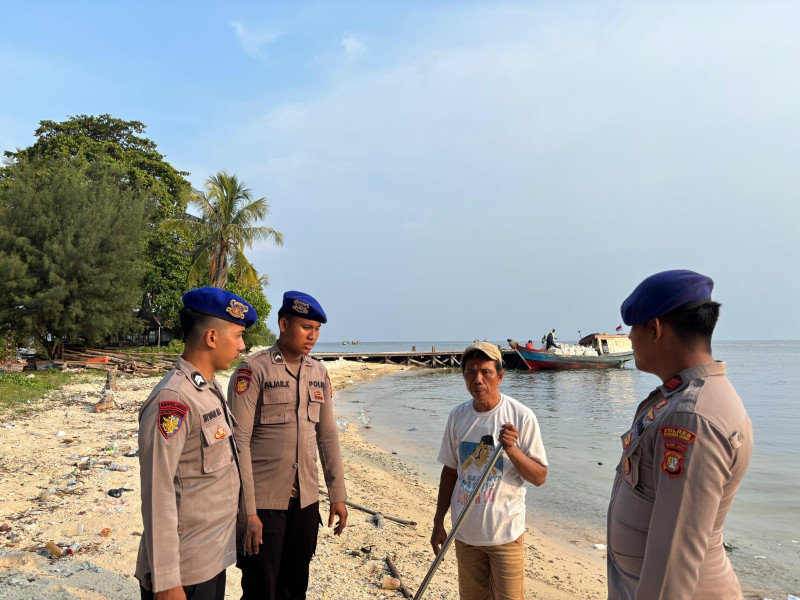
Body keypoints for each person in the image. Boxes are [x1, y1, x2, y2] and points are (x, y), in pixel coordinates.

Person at [607, 270, 753, 599]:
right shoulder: (681, 398)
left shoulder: (692, 417)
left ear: (655, 328)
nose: (629, 337)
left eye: (634, 327)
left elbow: (674, 559)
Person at [136, 287, 256, 600]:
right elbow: (157, 491)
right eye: (239, 335)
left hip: (210, 558)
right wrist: (166, 581)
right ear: (212, 337)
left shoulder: (208, 388)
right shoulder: (174, 399)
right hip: (183, 571)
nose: (243, 346)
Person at [230, 291, 347, 600]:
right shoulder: (253, 370)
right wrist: (248, 511)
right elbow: (238, 441)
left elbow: (328, 435)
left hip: (306, 502)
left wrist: (337, 495)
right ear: (284, 324)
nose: (313, 336)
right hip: (265, 504)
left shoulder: (318, 372)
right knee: (260, 589)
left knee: (295, 587)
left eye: (317, 329)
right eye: (306, 327)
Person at [431, 342, 548, 600]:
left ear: (500, 375)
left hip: (505, 535)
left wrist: (512, 450)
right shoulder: (457, 416)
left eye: (486, 372)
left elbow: (539, 477)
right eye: (470, 372)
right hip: (465, 534)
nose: (478, 380)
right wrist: (439, 521)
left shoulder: (521, 416)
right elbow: (450, 472)